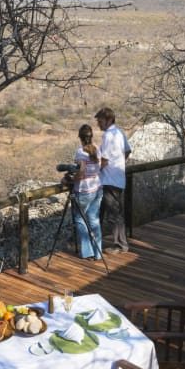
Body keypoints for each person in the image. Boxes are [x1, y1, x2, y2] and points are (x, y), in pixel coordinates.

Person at [95, 106, 131, 253]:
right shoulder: (119, 132)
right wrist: (119, 163)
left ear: (109, 120)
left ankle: (120, 245)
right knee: (113, 213)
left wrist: (93, 172)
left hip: (109, 180)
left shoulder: (109, 136)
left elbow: (104, 160)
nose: (98, 124)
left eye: (100, 120)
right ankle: (114, 243)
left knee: (113, 215)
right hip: (118, 178)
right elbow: (128, 150)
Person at [70, 124, 103, 259]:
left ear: (80, 137)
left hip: (83, 191)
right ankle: (98, 252)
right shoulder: (97, 149)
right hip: (97, 189)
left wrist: (72, 179)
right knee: (94, 220)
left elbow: (81, 172)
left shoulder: (81, 152)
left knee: (79, 219)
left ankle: (87, 252)